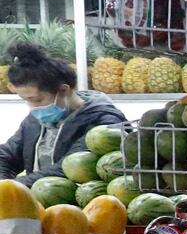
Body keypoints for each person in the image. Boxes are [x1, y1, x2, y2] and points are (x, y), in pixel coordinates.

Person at [0, 43, 127, 180]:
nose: (32, 107)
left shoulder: (104, 123)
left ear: (63, 90)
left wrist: (14, 188)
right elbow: (6, 155)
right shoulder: (34, 121)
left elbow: (67, 169)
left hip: (83, 200)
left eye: (36, 100)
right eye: (25, 100)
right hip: (39, 197)